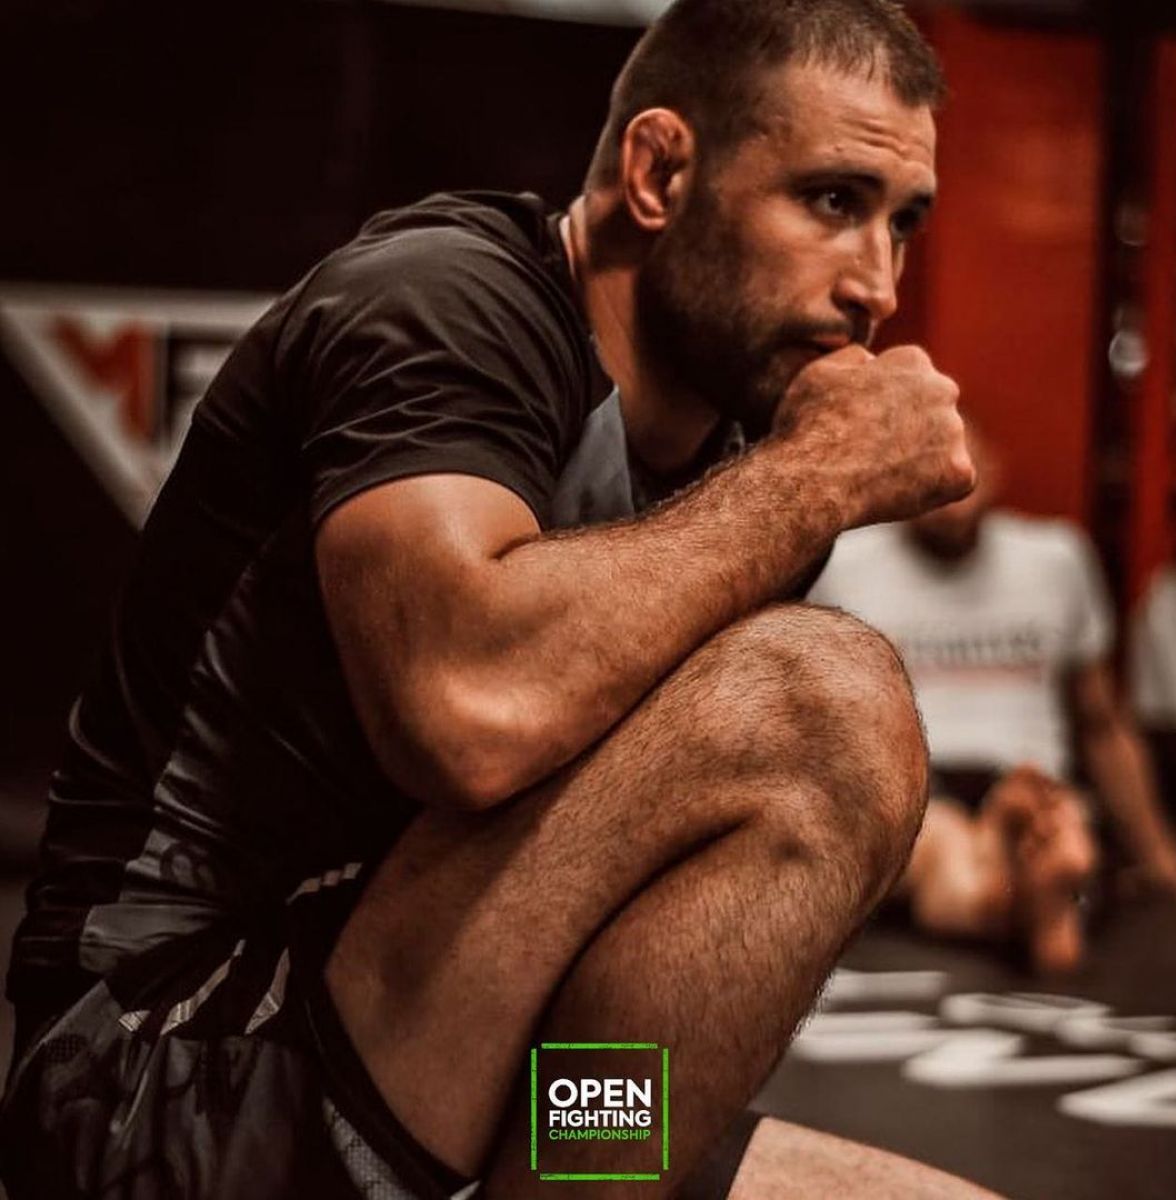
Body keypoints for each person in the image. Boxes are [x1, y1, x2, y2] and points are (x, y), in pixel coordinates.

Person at [0, 3, 993, 1198]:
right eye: (833, 201)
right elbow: (466, 712)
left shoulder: (750, 466)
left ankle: (576, 1176)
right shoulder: (446, 303)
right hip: (166, 1063)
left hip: (478, 1062)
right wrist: (816, 479)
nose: (877, 283)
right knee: (826, 704)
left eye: (904, 224)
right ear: (660, 172)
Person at [809, 428, 1176, 974]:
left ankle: (1005, 872)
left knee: (1051, 816)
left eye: (959, 461)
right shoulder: (843, 565)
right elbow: (818, 728)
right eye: (927, 464)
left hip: (1032, 771)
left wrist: (1163, 862)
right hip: (916, 781)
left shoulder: (1056, 557)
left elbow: (1102, 724)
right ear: (895, 474)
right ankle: (1017, 888)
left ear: (992, 470)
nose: (947, 483)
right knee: (934, 841)